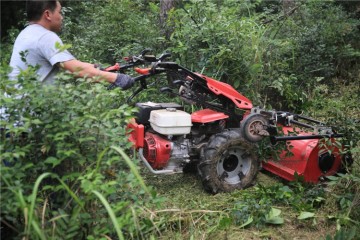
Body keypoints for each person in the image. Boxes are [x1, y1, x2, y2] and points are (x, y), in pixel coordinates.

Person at [9, 0, 134, 89]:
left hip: (15, 116)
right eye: (59, 12)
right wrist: (117, 78)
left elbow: (71, 65)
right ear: (47, 14)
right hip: (28, 120)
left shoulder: (26, 33)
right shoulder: (45, 37)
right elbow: (76, 70)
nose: (61, 17)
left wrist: (95, 67)